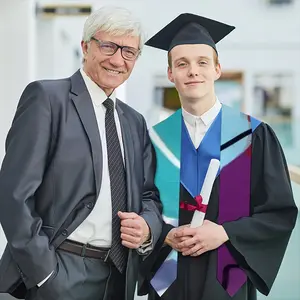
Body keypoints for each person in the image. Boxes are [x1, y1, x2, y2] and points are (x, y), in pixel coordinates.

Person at [0, 6, 163, 300]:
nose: (117, 59)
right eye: (108, 46)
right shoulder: (48, 100)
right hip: (59, 271)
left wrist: (148, 228)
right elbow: (14, 195)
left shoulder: (134, 121)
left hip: (118, 276)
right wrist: (44, 273)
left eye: (129, 52)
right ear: (85, 47)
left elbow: (148, 194)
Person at [138, 13, 298, 300]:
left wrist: (226, 233)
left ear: (217, 69)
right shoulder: (154, 141)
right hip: (169, 280)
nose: (193, 71)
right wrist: (163, 235)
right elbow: (141, 206)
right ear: (171, 74)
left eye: (202, 62)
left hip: (227, 280)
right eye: (182, 64)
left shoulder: (253, 135)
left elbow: (278, 213)